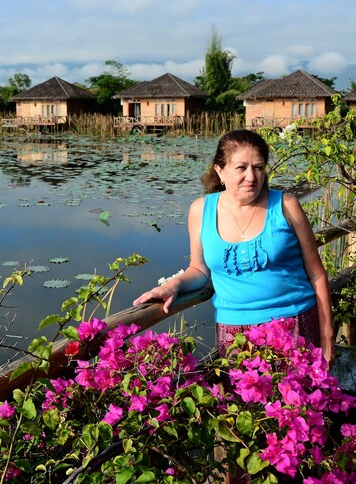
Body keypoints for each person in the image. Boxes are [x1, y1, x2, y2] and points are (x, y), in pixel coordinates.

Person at [133, 129, 335, 364]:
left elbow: (316, 273)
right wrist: (173, 285)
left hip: (294, 326)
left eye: (258, 167)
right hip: (234, 334)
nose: (251, 176)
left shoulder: (286, 206)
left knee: (300, 400)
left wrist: (327, 337)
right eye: (241, 167)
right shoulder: (201, 211)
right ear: (220, 170)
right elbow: (198, 270)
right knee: (244, 400)